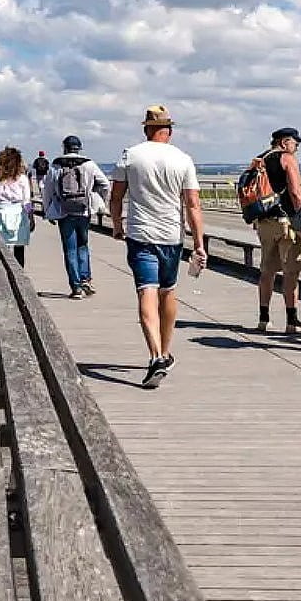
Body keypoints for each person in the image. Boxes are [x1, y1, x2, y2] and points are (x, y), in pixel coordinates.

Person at [109, 106, 206, 389]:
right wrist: (199, 244)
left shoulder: (130, 154)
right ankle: (165, 351)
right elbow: (193, 204)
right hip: (171, 237)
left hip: (141, 234)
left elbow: (116, 197)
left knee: (145, 292)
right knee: (168, 291)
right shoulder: (183, 159)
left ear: (145, 130)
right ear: (169, 131)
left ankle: (156, 355)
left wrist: (117, 225)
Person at [255, 127, 301, 335]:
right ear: (285, 142)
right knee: (291, 272)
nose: (296, 148)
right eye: (296, 143)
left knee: (267, 271)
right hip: (286, 221)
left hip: (264, 222)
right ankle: (292, 320)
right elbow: (296, 193)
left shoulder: (260, 159)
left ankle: (264, 318)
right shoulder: (287, 158)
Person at [43, 135, 110, 299]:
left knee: (69, 249)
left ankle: (76, 287)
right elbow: (105, 184)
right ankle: (85, 278)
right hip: (83, 211)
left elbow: (47, 190)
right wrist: (96, 199)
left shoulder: (56, 165)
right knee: (83, 245)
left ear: (64, 147)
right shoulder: (88, 164)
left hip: (63, 211)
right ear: (79, 148)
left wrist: (48, 211)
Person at [0, 145, 32, 267]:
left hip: (2, 213)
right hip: (19, 215)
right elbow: (27, 201)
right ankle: (20, 273)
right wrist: (31, 217)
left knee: (2, 249)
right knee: (19, 249)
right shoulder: (22, 178)